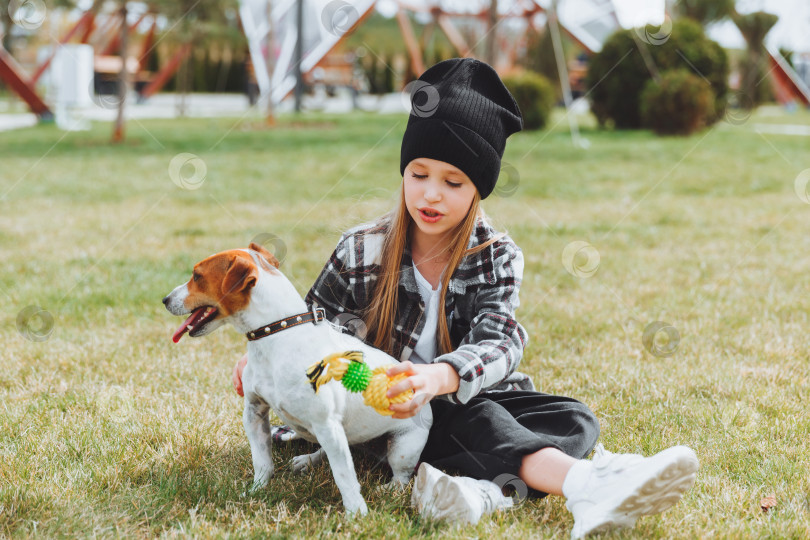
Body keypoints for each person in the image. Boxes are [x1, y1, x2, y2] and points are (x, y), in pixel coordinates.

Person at [232, 58, 698, 539]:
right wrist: (263, 361)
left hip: (466, 394)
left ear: (479, 189)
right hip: (381, 412)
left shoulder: (496, 256)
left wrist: (441, 374)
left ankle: (482, 496)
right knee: (476, 422)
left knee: (570, 416)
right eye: (418, 174)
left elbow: (502, 340)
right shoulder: (360, 249)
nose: (431, 195)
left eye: (453, 182)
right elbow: (310, 329)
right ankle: (585, 484)